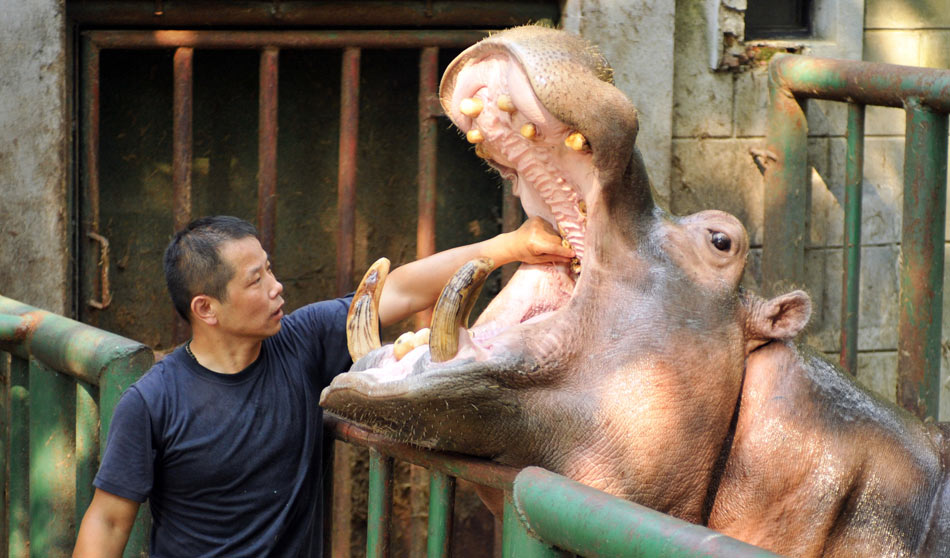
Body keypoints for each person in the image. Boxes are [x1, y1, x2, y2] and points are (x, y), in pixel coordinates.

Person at [73, 214, 573, 557]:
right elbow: (109, 521)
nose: (276, 286)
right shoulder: (153, 401)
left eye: (269, 268)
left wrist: (506, 247)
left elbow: (396, 289)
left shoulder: (301, 341)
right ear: (206, 308)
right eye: (255, 281)